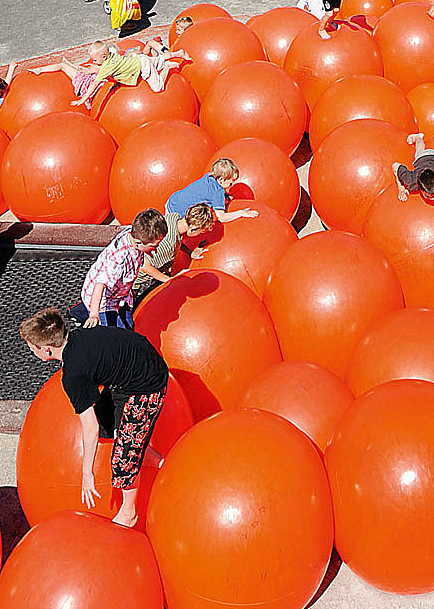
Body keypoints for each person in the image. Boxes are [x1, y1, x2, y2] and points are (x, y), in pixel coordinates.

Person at [20, 306, 169, 527]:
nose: (31, 351)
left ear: (47, 349)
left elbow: (90, 428)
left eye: (32, 348)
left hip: (147, 385)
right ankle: (151, 457)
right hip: (133, 372)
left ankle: (129, 512)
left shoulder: (74, 375)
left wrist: (87, 474)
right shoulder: (79, 338)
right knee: (113, 426)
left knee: (122, 463)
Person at [131, 192, 259, 304]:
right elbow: (144, 265)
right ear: (193, 229)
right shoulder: (169, 245)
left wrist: (190, 252)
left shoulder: (173, 218)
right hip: (140, 284)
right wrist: (169, 280)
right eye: (201, 232)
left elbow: (177, 240)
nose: (200, 236)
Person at [74, 210, 174, 329]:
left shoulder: (132, 234)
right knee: (117, 333)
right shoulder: (118, 260)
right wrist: (94, 314)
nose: (155, 250)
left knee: (130, 323)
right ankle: (83, 314)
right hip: (103, 301)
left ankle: (79, 311)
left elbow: (143, 265)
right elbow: (100, 284)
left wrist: (168, 280)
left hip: (119, 293)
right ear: (138, 242)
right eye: (154, 246)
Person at [35, 38, 187, 108]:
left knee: (158, 87)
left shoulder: (106, 66)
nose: (94, 62)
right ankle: (179, 53)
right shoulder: (112, 56)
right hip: (140, 61)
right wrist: (87, 69)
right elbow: (98, 70)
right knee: (157, 60)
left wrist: (82, 100)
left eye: (95, 60)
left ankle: (168, 67)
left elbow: (94, 84)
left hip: (142, 66)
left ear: (103, 57)